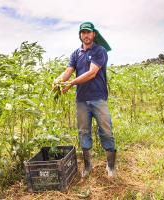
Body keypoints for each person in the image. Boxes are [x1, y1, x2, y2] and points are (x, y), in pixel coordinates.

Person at [53, 22, 116, 178]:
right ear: (80, 35)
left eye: (89, 32)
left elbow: (92, 73)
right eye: (83, 32)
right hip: (81, 100)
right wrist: (58, 81)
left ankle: (111, 167)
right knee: (83, 132)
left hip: (98, 98)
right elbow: (68, 72)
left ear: (94, 34)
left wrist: (72, 83)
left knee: (106, 131)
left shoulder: (99, 51)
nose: (86, 35)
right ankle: (88, 166)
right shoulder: (76, 54)